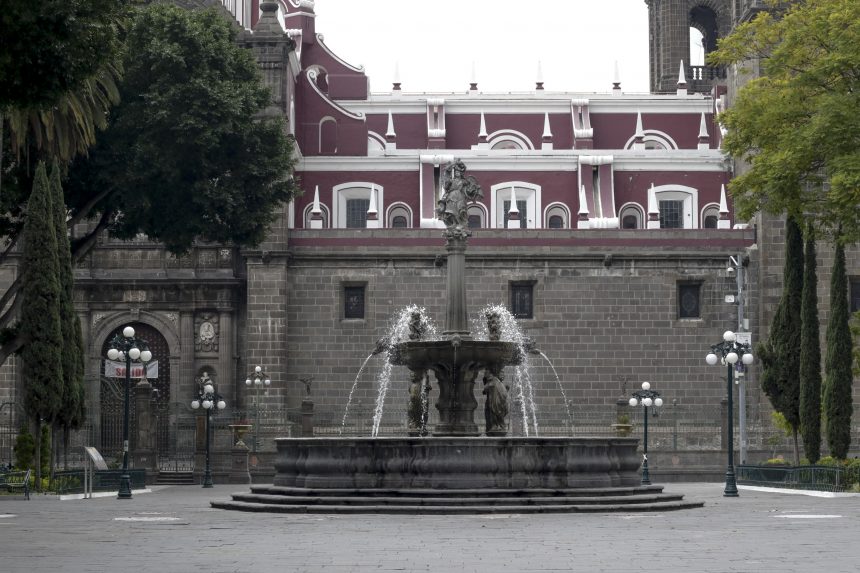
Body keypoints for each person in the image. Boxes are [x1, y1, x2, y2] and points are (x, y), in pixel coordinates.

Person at [437, 159, 483, 229]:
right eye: (455, 172)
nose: (456, 173)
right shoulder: (452, 181)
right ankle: (454, 223)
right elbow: (446, 187)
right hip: (451, 197)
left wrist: (474, 190)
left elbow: (469, 189)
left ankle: (460, 223)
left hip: (460, 197)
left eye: (458, 172)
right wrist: (448, 176)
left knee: (460, 210)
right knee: (450, 211)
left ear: (461, 173)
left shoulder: (464, 181)